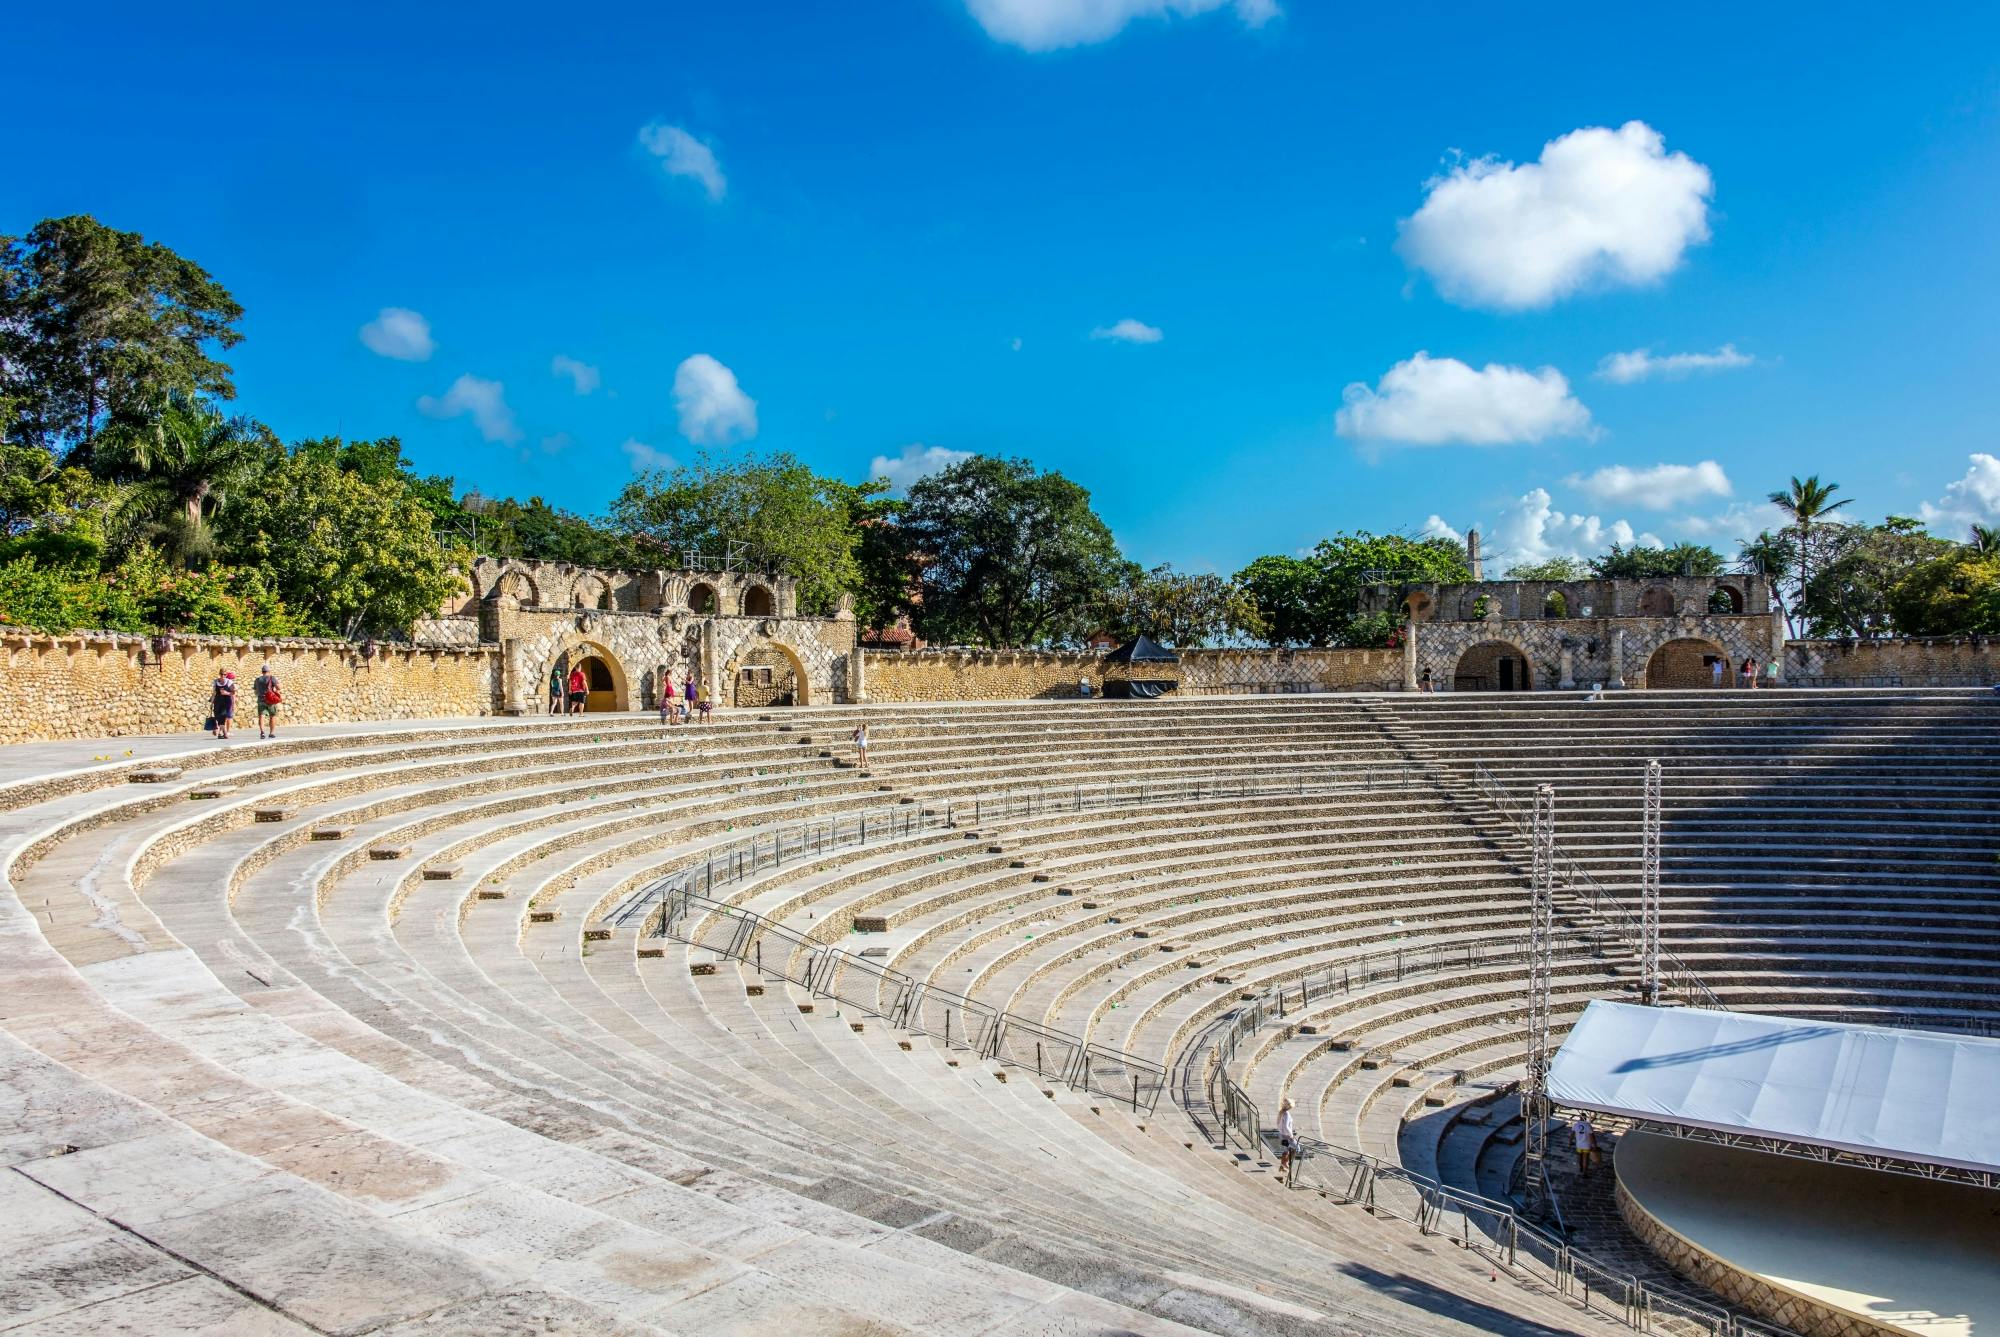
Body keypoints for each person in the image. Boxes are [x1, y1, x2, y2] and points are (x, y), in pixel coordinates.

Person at [252, 663, 282, 739]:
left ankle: (262, 733)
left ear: (262, 672)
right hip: (270, 700)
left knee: (261, 716)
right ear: (269, 671)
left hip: (261, 700)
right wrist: (279, 684)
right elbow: (279, 688)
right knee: (272, 716)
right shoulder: (272, 678)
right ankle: (271, 733)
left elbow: (255, 691)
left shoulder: (257, 680)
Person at [210, 670, 237, 741]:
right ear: (219, 674)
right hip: (217, 702)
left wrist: (227, 693)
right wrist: (212, 702)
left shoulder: (229, 682)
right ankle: (221, 733)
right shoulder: (215, 682)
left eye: (225, 674)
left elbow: (233, 692)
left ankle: (223, 733)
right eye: (222, 674)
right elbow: (214, 693)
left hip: (226, 702)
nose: (223, 676)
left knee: (223, 716)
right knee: (218, 717)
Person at [1275, 1098, 1298, 1180]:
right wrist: (1291, 1135)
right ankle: (1286, 1163)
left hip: (1282, 1135)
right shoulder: (1286, 1114)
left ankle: (1283, 1165)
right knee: (1297, 1148)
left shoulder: (1281, 1112)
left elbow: (1278, 1124)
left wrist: (1281, 1132)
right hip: (1287, 1136)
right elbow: (1286, 1126)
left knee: (1286, 1149)